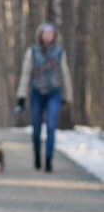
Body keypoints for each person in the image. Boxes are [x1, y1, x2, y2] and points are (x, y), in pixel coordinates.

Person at [15, 22, 74, 173]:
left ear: (55, 36)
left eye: (51, 33)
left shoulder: (59, 52)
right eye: (45, 33)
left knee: (51, 127)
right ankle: (37, 156)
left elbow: (65, 74)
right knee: (36, 129)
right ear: (40, 35)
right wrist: (21, 96)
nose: (48, 35)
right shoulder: (33, 51)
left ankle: (48, 160)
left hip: (54, 93)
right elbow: (26, 73)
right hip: (36, 93)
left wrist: (68, 96)